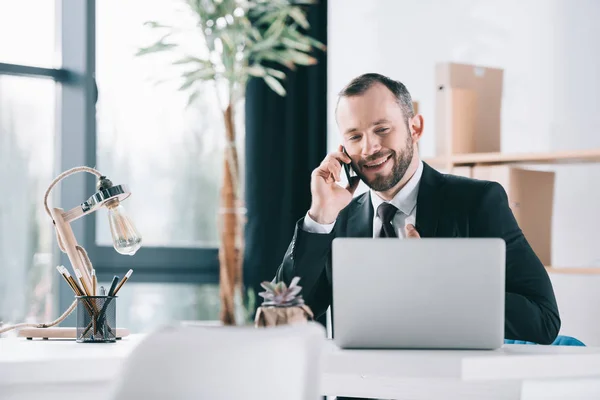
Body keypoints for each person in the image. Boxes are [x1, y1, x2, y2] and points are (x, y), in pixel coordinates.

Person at [274, 73, 561, 347]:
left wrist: (439, 278)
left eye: (382, 130)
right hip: (361, 391)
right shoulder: (337, 219)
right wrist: (319, 218)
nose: (369, 147)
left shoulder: (477, 202)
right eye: (354, 136)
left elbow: (543, 320)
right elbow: (280, 319)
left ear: (415, 128)